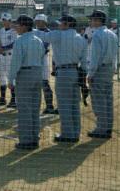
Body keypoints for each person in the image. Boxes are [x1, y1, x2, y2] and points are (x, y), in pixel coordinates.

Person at [43, 15, 87, 143]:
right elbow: (84, 63)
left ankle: (67, 134)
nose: (59, 25)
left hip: (63, 72)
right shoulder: (81, 38)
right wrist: (82, 78)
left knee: (64, 104)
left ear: (67, 24)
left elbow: (43, 36)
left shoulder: (58, 34)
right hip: (76, 72)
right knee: (74, 104)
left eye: (61, 23)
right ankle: (75, 133)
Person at [8, 15, 44, 150]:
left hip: (25, 74)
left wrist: (11, 78)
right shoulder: (38, 40)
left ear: (24, 26)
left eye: (17, 25)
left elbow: (16, 62)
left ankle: (26, 140)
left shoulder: (20, 41)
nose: (16, 27)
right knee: (35, 108)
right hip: (37, 73)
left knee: (24, 109)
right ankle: (34, 137)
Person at [87, 10, 118, 139]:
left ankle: (101, 128)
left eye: (93, 19)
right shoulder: (112, 34)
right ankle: (107, 127)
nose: (91, 22)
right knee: (107, 100)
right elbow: (116, 54)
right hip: (109, 69)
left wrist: (91, 74)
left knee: (99, 100)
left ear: (98, 21)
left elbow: (95, 58)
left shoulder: (97, 35)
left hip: (99, 70)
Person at [33, 14, 57, 114]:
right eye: (36, 21)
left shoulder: (49, 33)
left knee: (44, 83)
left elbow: (45, 46)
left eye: (39, 21)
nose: (37, 23)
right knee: (34, 84)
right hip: (33, 60)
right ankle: (35, 106)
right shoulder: (33, 31)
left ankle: (49, 106)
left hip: (44, 59)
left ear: (44, 22)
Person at [0, 13, 18, 108]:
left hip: (10, 57)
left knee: (11, 78)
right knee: (1, 77)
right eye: (3, 20)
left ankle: (13, 99)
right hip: (1, 57)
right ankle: (2, 98)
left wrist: (3, 48)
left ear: (10, 21)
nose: (4, 22)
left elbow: (14, 44)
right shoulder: (0, 31)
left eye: (6, 20)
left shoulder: (14, 31)